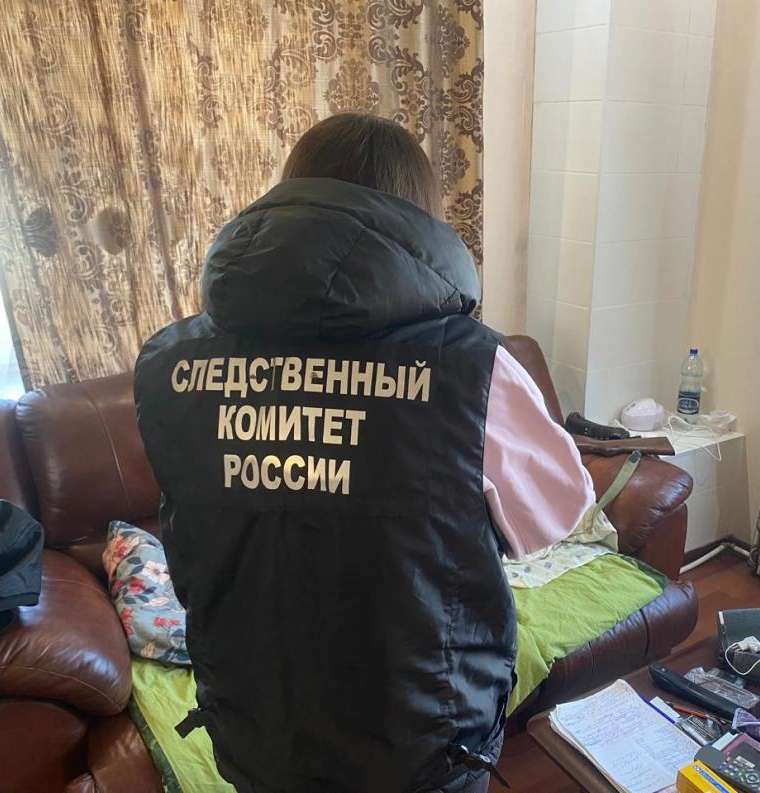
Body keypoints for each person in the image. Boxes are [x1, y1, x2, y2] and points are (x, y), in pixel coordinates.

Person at [134, 112, 592, 793]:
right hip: (421, 743)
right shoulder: (471, 369)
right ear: (420, 217)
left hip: (255, 729)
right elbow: (556, 514)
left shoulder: (168, 364)